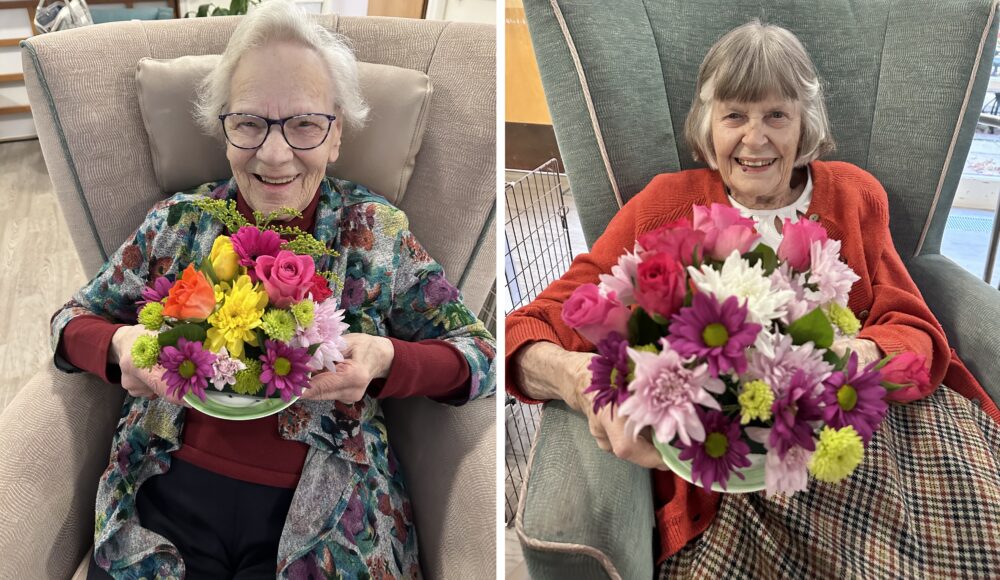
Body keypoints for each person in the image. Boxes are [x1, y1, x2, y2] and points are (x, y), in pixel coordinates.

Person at [506, 21, 1000, 577]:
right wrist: (576, 379)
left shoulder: (854, 195)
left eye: (777, 115)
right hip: (737, 465)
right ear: (707, 123)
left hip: (863, 430)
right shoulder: (664, 206)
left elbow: (911, 325)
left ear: (804, 123)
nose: (755, 138)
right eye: (735, 115)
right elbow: (532, 322)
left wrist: (854, 358)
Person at [50, 2, 495, 578]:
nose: (275, 153)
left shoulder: (375, 233)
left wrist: (385, 359)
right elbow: (68, 324)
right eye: (250, 122)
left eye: (304, 124)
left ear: (336, 135)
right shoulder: (177, 224)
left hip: (332, 512)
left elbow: (481, 354)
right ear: (224, 129)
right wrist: (120, 351)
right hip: (162, 498)